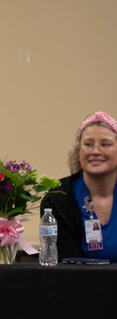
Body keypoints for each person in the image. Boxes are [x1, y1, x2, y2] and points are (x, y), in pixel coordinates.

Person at [41, 111, 117, 263]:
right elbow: (67, 269)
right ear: (78, 151)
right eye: (88, 144)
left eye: (105, 144)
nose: (95, 151)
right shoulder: (57, 199)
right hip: (79, 285)